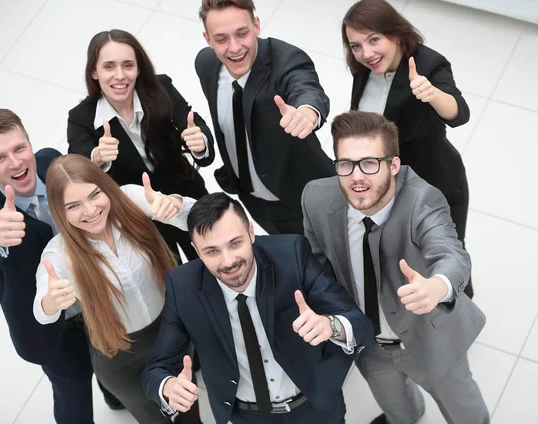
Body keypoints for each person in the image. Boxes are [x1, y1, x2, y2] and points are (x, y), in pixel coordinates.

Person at [302, 111, 488, 424]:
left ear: (394, 165)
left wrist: (437, 286)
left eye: (370, 163)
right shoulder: (316, 198)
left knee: (465, 412)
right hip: (368, 342)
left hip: (429, 338)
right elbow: (319, 264)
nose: (357, 177)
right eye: (346, 164)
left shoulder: (423, 201)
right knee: (398, 409)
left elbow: (451, 254)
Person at [142, 192, 373, 424]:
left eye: (235, 243)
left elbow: (360, 325)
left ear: (251, 233)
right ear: (195, 249)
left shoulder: (292, 254)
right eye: (212, 251)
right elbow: (157, 369)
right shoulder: (182, 286)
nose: (228, 261)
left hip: (315, 405)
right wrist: (168, 386)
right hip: (247, 416)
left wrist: (329, 325)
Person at [0, 109, 121, 424]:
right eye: (0, 158)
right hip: (51, 329)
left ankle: (114, 397)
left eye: (19, 148)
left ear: (30, 143)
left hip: (96, 302)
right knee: (72, 397)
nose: (16, 162)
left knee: (111, 363)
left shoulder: (51, 162)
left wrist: (97, 163)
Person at [33, 154, 197, 423]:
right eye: (73, 205)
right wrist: (51, 300)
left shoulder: (129, 198)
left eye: (94, 194)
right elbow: (42, 309)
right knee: (155, 417)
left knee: (189, 408)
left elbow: (192, 216)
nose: (90, 211)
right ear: (59, 211)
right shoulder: (59, 253)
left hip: (171, 331)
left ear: (104, 185)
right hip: (120, 356)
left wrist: (173, 205)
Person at [342, 0, 474, 298]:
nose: (366, 53)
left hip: (433, 181)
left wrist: (432, 94)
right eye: (356, 45)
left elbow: (459, 112)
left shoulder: (428, 64)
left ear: (396, 34)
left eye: (374, 40)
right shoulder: (363, 68)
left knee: (446, 256)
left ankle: (459, 309)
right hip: (389, 185)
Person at [67, 29, 214, 262]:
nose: (120, 76)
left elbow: (192, 123)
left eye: (128, 65)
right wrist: (97, 157)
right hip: (139, 214)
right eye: (108, 67)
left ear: (138, 67)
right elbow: (77, 158)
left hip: (186, 192)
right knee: (173, 274)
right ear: (94, 71)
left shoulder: (161, 87)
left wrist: (200, 142)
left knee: (214, 251)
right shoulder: (81, 117)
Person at [194, 0, 335, 235]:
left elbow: (305, 87)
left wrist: (307, 111)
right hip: (253, 200)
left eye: (242, 33)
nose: (235, 47)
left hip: (307, 201)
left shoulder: (287, 59)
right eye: (221, 39)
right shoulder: (206, 64)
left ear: (257, 26)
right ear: (207, 40)